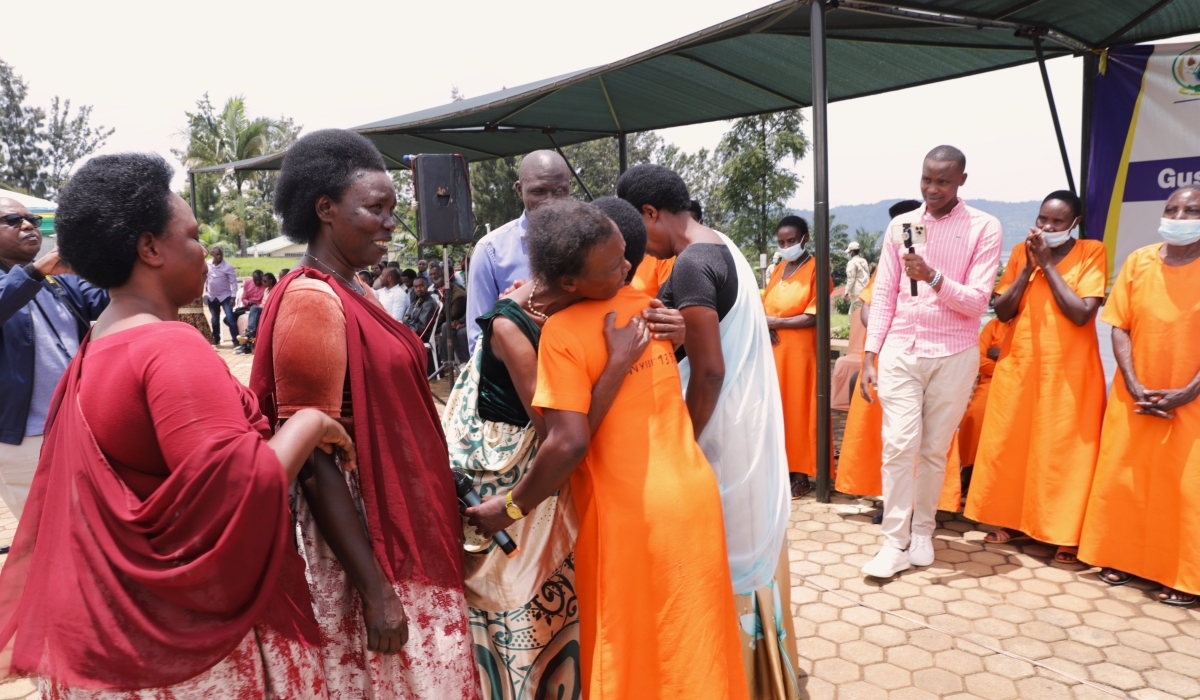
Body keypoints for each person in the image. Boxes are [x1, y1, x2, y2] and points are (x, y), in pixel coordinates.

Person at [0, 152, 356, 696]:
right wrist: (309, 424)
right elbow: (237, 492)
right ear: (150, 248)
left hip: (122, 634)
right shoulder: (168, 347)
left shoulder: (99, 341)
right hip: (193, 650)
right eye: (191, 235)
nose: (202, 249)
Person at [465, 200, 747, 700]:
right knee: (695, 647)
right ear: (571, 281)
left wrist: (507, 509)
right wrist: (621, 360)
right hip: (693, 497)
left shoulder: (565, 333)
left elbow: (568, 442)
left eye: (625, 258)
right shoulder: (644, 306)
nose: (628, 268)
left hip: (631, 514)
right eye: (614, 263)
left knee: (631, 653)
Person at [251, 129, 479, 695]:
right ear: (325, 209)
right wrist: (375, 591)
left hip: (394, 510)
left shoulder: (356, 289)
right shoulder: (312, 301)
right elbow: (312, 458)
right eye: (374, 209)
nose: (389, 223)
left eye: (392, 210)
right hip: (364, 535)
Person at [619, 164, 797, 700]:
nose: (634, 243)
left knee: (723, 556)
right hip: (744, 418)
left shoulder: (694, 263)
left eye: (635, 226)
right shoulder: (722, 244)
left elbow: (710, 368)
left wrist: (684, 443)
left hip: (717, 428)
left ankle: (732, 679)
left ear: (651, 213)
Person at [859, 145, 1002, 578]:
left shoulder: (984, 227)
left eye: (943, 180)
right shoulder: (903, 226)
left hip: (954, 352)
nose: (932, 188)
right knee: (898, 445)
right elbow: (884, 293)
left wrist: (934, 277)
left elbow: (977, 302)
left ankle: (923, 531)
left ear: (961, 180)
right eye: (926, 179)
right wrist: (870, 355)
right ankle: (894, 541)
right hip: (902, 349)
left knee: (935, 449)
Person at [964, 191, 1107, 564]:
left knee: (1063, 450)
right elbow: (1003, 311)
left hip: (1070, 371)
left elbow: (1081, 313)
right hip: (1021, 365)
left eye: (1057, 222)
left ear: (1074, 224)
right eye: (1043, 219)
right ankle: (1009, 520)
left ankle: (1063, 534)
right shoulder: (1019, 253)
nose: (1046, 227)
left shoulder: (1092, 252)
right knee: (1014, 443)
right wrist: (1028, 268)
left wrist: (1049, 265)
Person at [1079, 186, 1200, 608]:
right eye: (1172, 209)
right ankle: (1123, 557)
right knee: (1129, 479)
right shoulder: (1139, 261)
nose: (1179, 216)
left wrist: (1188, 391)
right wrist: (1131, 380)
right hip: (1137, 393)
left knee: (1186, 490)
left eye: (1191, 210)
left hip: (1192, 400)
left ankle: (1186, 576)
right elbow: (1119, 325)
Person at [0, 199, 107, 519]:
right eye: (13, 220)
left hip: (78, 427)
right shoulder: (38, 274)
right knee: (46, 535)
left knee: (91, 525)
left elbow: (106, 299)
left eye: (31, 218)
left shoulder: (58, 280)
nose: (29, 225)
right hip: (24, 438)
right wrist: (35, 271)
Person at [834, 272, 963, 524]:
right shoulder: (891, 263)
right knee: (894, 438)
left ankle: (922, 507)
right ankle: (896, 503)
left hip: (933, 356)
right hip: (890, 354)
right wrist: (893, 331)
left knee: (927, 436)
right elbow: (867, 307)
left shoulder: (947, 262)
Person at [467, 150, 572, 354]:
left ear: (570, 188)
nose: (550, 201)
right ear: (519, 190)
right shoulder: (491, 251)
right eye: (539, 191)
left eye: (559, 191)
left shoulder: (590, 244)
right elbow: (478, 341)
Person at [764, 215, 829, 499]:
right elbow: (765, 307)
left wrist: (775, 323)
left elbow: (814, 315)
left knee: (800, 411)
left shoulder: (817, 269)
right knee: (778, 411)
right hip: (776, 355)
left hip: (802, 356)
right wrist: (767, 327)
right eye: (781, 242)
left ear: (805, 238)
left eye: (791, 240)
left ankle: (801, 475)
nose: (786, 245)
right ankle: (780, 470)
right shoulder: (779, 269)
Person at [956, 317, 1008, 496]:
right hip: (991, 382)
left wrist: (998, 354)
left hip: (1022, 386)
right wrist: (1007, 366)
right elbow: (979, 359)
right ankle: (967, 471)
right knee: (975, 414)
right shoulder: (995, 325)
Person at [204, 246, 239, 348]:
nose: (220, 256)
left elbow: (233, 282)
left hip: (225, 296)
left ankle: (236, 341)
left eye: (221, 254)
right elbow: (205, 277)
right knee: (214, 319)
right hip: (212, 296)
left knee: (230, 318)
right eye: (217, 255)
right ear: (213, 255)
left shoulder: (228, 266)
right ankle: (216, 339)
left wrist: (233, 297)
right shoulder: (208, 264)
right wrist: (206, 289)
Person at [238, 272, 278, 353]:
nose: (262, 283)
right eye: (262, 281)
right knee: (250, 316)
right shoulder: (266, 290)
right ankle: (246, 345)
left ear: (271, 281)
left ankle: (251, 332)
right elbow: (263, 302)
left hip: (269, 309)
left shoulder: (275, 290)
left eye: (265, 281)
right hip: (263, 308)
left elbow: (271, 304)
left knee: (254, 309)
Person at [233, 269, 266, 355]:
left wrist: (256, 305)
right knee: (229, 318)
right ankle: (241, 343)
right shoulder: (248, 283)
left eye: (260, 280)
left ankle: (247, 340)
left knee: (253, 312)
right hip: (248, 307)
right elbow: (244, 298)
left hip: (258, 308)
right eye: (256, 280)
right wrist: (248, 302)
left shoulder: (266, 286)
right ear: (253, 278)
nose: (258, 282)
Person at [403, 275, 439, 340]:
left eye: (421, 286)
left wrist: (405, 328)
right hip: (411, 332)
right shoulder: (416, 301)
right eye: (415, 287)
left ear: (427, 286)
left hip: (420, 336)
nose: (418, 289)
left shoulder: (429, 304)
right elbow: (409, 320)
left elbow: (421, 327)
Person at [844, 241, 870, 312]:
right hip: (865, 291)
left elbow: (851, 279)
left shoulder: (851, 263)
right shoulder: (864, 261)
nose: (849, 254)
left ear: (852, 252)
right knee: (851, 315)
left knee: (857, 316)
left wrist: (846, 292)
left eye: (849, 252)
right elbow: (868, 274)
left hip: (857, 293)